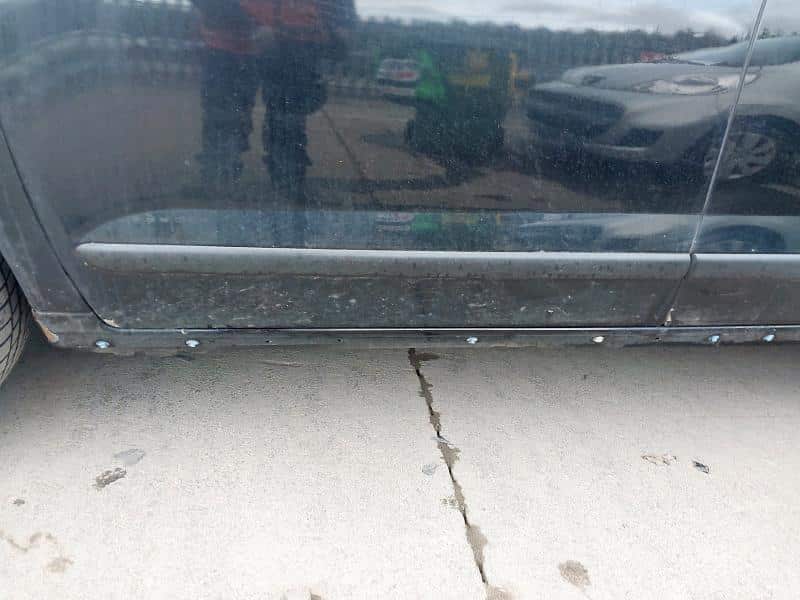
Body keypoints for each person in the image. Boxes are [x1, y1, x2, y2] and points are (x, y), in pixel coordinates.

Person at [192, 0, 355, 198]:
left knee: (285, 121)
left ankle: (285, 181)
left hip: (290, 44)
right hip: (236, 41)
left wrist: (342, 25)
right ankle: (222, 178)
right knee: (228, 116)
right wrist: (250, 23)